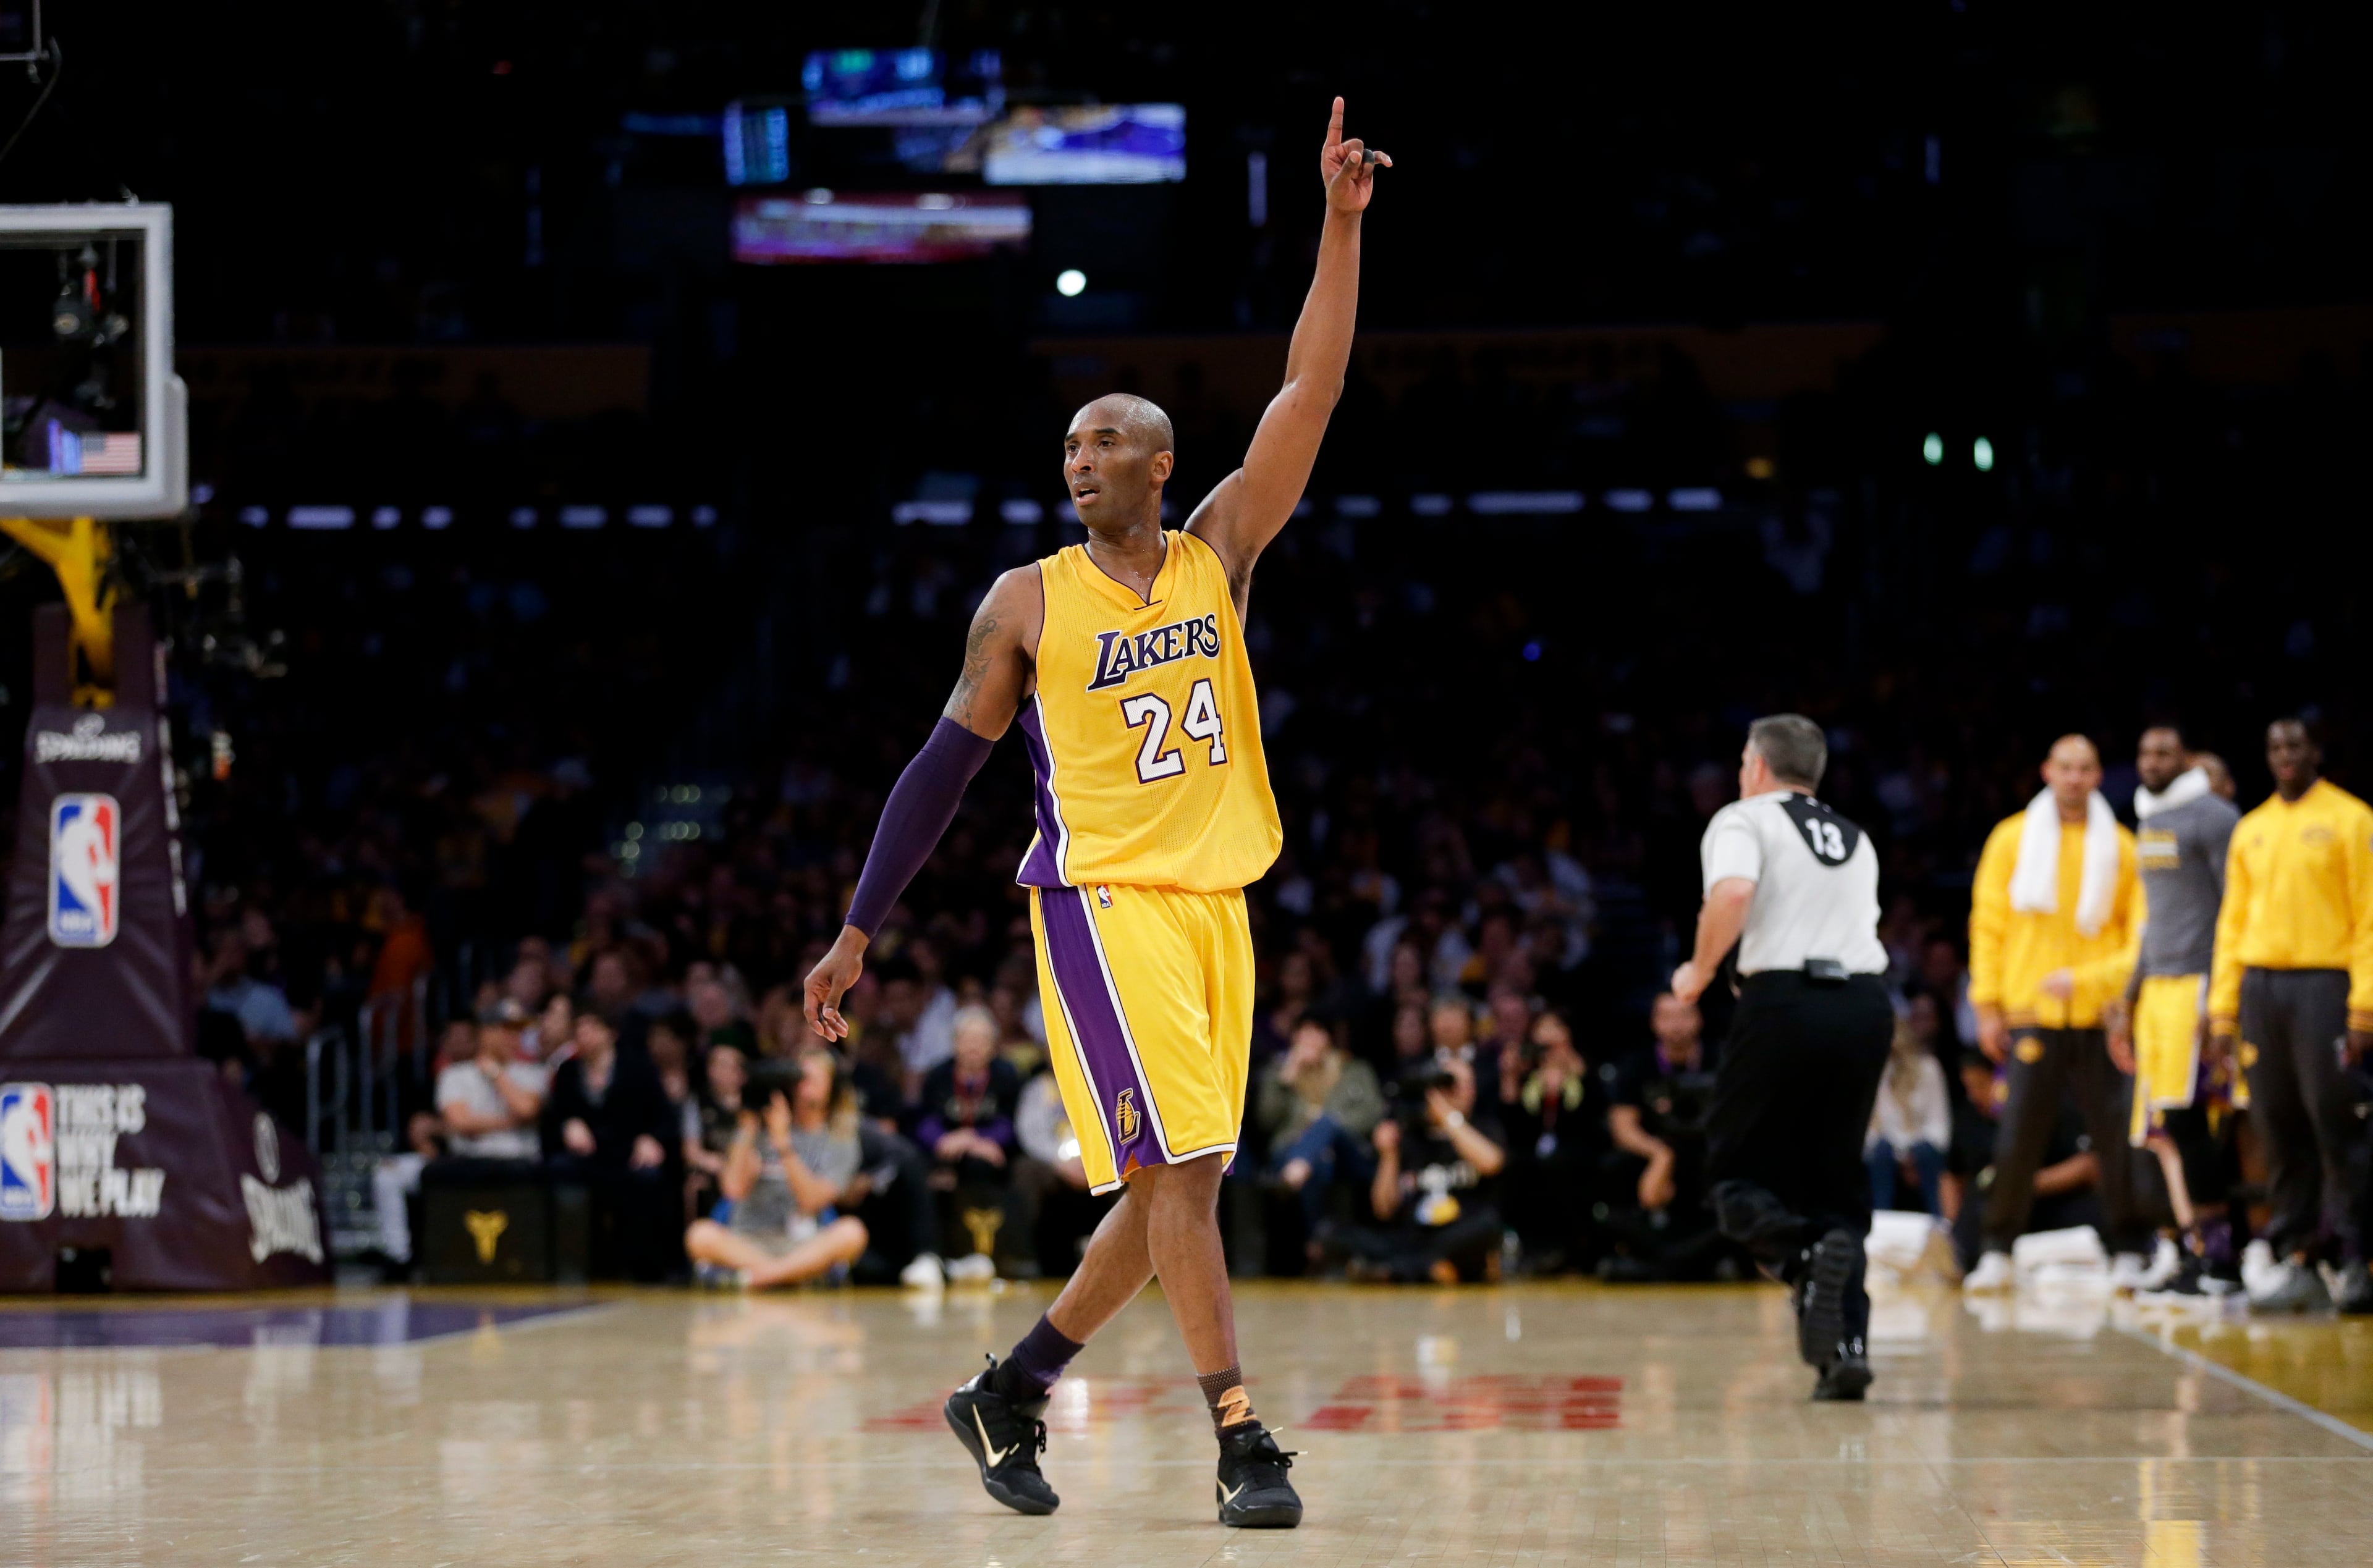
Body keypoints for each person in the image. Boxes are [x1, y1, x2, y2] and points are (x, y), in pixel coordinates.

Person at [802, 99, 1388, 1528]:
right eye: (1067, 444)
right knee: (1178, 1177)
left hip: (1215, 902)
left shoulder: (1218, 552)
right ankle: (1240, 1433)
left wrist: (1337, 224)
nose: (1077, 457)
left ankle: (1009, 1387)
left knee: (1167, 1192)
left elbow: (1306, 395)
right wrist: (855, 926)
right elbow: (940, 767)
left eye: (1104, 439)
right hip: (1098, 901)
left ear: (1158, 463)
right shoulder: (1023, 601)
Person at [1672, 714, 1893, 1401]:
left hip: (1784, 1004)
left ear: (1759, 767)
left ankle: (1801, 1259)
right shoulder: (1855, 837)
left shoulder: (1745, 818)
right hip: (1863, 1006)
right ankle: (1843, 1353)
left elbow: (1732, 894)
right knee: (1835, 1184)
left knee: (1734, 1173)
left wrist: (1700, 973)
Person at [1962, 735, 2147, 1293]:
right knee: (2019, 1134)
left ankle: (2130, 1246)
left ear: (2097, 777)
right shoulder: (2012, 839)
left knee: (2114, 1134)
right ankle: (1997, 1246)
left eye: (2085, 769)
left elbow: (2138, 938)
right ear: (2047, 771)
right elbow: (1988, 926)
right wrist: (1988, 1007)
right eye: (2065, 767)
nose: (2074, 778)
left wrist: (2095, 986)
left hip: (2099, 1013)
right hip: (2030, 1009)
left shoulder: (2121, 846)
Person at [2209, 719, 2373, 1314]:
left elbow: (2368, 917)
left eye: (2295, 746)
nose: (2285, 756)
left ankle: (2358, 1255)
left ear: (2316, 752)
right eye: (2275, 747)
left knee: (2337, 1121)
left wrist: (2364, 1006)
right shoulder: (2251, 828)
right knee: (2277, 1125)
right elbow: (2231, 924)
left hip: (2325, 985)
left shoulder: (2352, 819)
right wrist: (2223, 1011)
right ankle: (2297, 1254)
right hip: (2261, 987)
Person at [2109, 726, 2241, 1296]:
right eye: (2145, 752)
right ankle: (2190, 1247)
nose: (2152, 762)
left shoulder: (2214, 818)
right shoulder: (2149, 819)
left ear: (2184, 760)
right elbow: (2153, 918)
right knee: (2166, 1128)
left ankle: (2225, 1255)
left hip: (2199, 986)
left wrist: (2222, 997)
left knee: (2198, 1124)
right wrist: (2129, 993)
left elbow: (2236, 910)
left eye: (2165, 753)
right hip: (2157, 989)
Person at [683, 1048, 870, 1289]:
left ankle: (760, 1278)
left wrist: (783, 1144)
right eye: (800, 1078)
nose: (804, 1085)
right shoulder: (761, 1128)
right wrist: (748, 1127)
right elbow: (733, 1190)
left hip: (801, 1242)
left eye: (814, 1078)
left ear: (832, 1088)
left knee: (852, 1233)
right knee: (700, 1235)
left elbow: (811, 1201)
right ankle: (796, 1276)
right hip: (748, 1240)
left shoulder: (840, 1141)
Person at [1342, 1053, 1506, 1281]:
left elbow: (1492, 1163)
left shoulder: (1485, 1128)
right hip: (1416, 1233)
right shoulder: (1410, 1135)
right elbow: (1384, 1209)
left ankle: (1395, 1271)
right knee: (1337, 1234)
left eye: (1463, 1085)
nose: (1455, 1091)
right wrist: (1388, 1155)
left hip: (1460, 1230)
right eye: (1447, 1083)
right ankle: (1431, 1269)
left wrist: (1448, 1118)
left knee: (1488, 1226)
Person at [543, 1011, 679, 1281]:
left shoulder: (638, 1068)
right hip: (587, 1158)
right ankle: (570, 1265)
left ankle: (647, 1268)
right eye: (579, 1027)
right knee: (559, 1170)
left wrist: (650, 1138)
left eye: (592, 1026)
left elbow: (664, 1118)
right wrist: (568, 1125)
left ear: (611, 1033)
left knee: (648, 1178)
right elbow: (552, 1119)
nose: (584, 1034)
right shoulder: (568, 1071)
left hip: (627, 1154)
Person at [1602, 993, 1727, 1280]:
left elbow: (1739, 1119)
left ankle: (1657, 1267)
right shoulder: (1637, 1065)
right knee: (1613, 1170)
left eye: (1684, 1015)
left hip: (1708, 1157)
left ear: (1699, 1020)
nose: (1676, 1025)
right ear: (1654, 1023)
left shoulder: (1722, 1061)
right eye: (1667, 1017)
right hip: (1655, 1154)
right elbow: (1623, 1127)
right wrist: (1660, 1153)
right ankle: (1694, 1264)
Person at [1256, 1017, 1385, 1260]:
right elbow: (1267, 1121)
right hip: (1290, 1148)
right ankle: (1319, 1243)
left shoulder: (1353, 1070)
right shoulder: (1280, 1072)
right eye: (1304, 1034)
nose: (1311, 1040)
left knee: (1325, 1124)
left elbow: (1371, 1114)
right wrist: (1287, 1079)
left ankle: (1299, 1168)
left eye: (1317, 1032)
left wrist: (1330, 1127)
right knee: (1321, 1162)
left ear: (1329, 1038)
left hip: (1347, 1151)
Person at [914, 1004, 1022, 1278]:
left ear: (992, 1046)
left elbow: (1012, 1122)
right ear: (955, 1043)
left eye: (981, 1040)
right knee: (921, 1170)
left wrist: (977, 1141)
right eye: (967, 1039)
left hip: (993, 1156)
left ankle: (993, 1256)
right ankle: (933, 1256)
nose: (974, 1046)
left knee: (988, 1168)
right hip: (945, 1152)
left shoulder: (1007, 1076)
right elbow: (924, 1121)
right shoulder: (937, 1076)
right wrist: (947, 1140)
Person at [1866, 1017, 1950, 1215]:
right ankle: (1880, 1220)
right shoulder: (1877, 1072)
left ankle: (1938, 1222)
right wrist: (1898, 1152)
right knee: (1880, 1152)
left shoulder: (1929, 1069)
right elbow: (1872, 1124)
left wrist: (1912, 1152)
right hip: (1887, 1148)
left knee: (1926, 1154)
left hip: (1922, 1146)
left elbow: (1939, 1123)